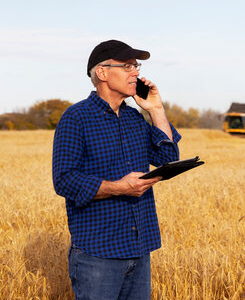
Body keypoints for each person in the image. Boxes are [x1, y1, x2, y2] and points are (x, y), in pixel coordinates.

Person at [52, 39, 181, 300]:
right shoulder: (76, 117)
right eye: (127, 66)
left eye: (137, 66)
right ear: (102, 73)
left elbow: (168, 155)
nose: (136, 72)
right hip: (98, 253)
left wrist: (156, 109)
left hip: (139, 247)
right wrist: (119, 188)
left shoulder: (135, 118)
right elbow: (64, 180)